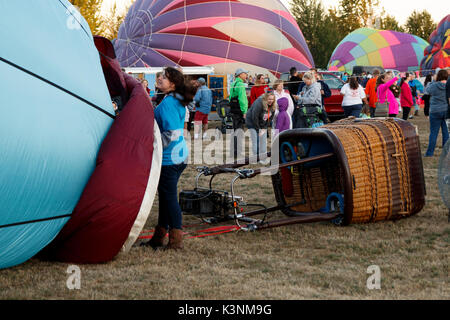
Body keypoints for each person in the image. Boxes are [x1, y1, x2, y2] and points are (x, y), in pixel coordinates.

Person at [142, 67, 196, 250]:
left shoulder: (170, 103)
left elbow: (172, 134)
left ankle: (175, 240)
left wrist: (153, 145)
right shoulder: (174, 99)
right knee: (165, 197)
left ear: (172, 83)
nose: (159, 79)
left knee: (169, 198)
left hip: (170, 159)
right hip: (178, 156)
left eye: (163, 77)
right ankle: (158, 237)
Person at [424, 69, 449, 157]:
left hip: (435, 111)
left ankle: (429, 153)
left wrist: (433, 81)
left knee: (434, 133)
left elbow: (426, 91)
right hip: (446, 110)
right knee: (446, 132)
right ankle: (446, 153)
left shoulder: (434, 85)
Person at [245, 91, 276, 157]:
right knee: (256, 139)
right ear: (265, 99)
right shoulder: (259, 103)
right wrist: (258, 129)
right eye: (269, 99)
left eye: (272, 99)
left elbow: (270, 118)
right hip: (252, 122)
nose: (271, 101)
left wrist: (264, 128)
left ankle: (262, 155)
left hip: (262, 122)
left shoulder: (273, 106)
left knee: (263, 139)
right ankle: (256, 156)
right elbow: (254, 117)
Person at [229, 68, 249, 158]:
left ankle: (233, 151)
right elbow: (242, 99)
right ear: (240, 75)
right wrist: (244, 111)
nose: (246, 75)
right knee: (239, 132)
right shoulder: (241, 84)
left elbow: (230, 98)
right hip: (239, 111)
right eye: (245, 73)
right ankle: (238, 152)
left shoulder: (233, 83)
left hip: (233, 110)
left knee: (234, 131)